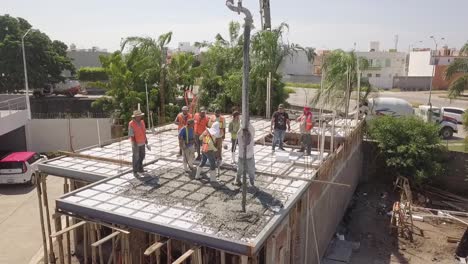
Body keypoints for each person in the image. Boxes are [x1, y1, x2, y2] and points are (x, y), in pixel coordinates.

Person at [128, 110, 151, 175]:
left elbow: (144, 132)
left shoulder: (142, 122)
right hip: (135, 142)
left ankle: (140, 168)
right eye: (138, 116)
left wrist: (146, 140)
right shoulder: (131, 123)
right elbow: (131, 134)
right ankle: (135, 170)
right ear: (135, 117)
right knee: (136, 156)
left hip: (142, 141)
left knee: (142, 155)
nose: (139, 117)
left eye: (140, 116)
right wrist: (134, 142)